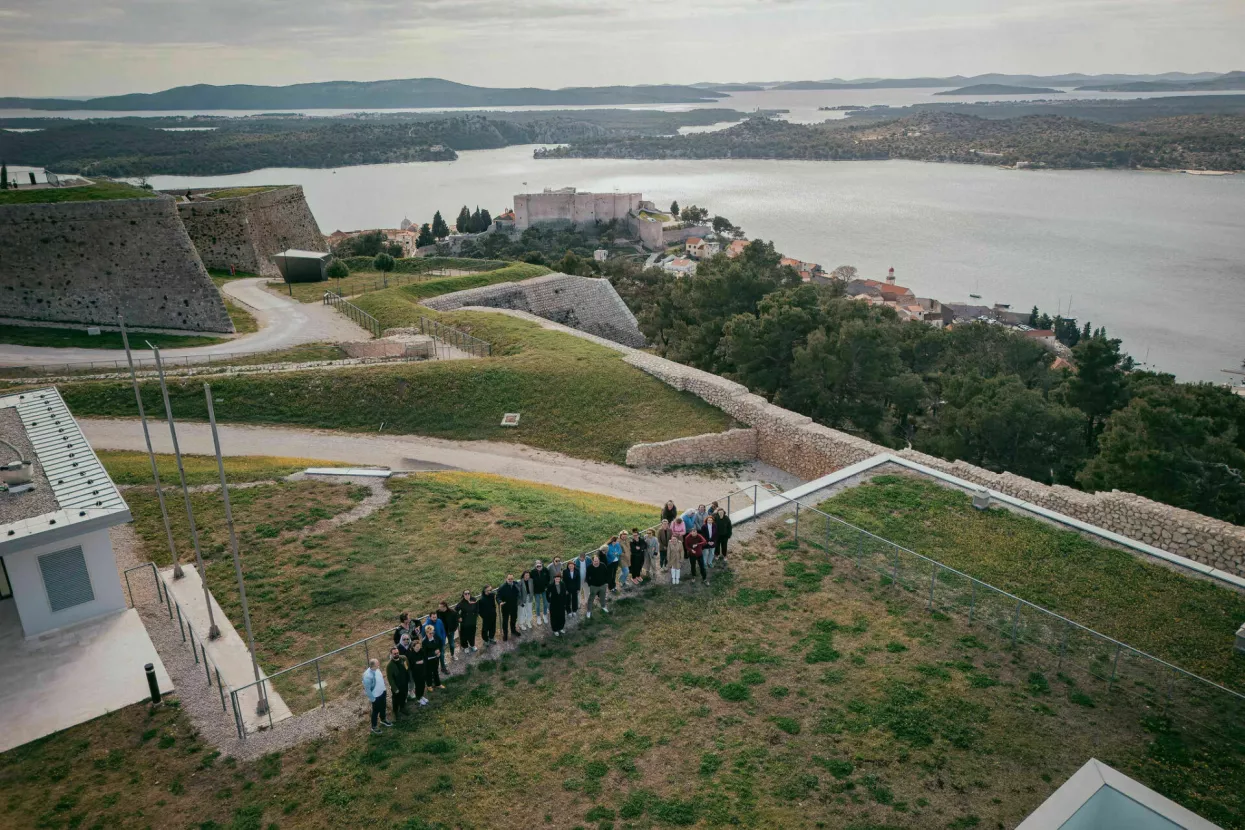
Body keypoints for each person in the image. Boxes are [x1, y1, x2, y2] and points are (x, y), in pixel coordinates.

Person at [362, 658, 391, 733]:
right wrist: (373, 699)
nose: (379, 665)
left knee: (383, 707)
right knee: (375, 711)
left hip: (382, 692)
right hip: (376, 696)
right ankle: (374, 726)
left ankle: (383, 719)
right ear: (373, 666)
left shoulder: (377, 669)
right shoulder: (367, 676)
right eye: (377, 664)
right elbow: (367, 690)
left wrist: (384, 690)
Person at [399, 632, 425, 704]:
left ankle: (411, 691)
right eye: (404, 639)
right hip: (403, 667)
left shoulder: (411, 645)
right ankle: (405, 696)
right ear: (401, 639)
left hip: (411, 667)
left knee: (412, 680)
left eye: (407, 639)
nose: (406, 640)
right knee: (404, 681)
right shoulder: (399, 647)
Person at [585, 550, 610, 617]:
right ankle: (589, 611)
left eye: (597, 561)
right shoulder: (589, 567)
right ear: (592, 561)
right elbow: (587, 577)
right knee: (591, 599)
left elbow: (606, 574)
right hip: (594, 586)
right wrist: (590, 584)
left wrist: (606, 583)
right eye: (595, 561)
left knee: (602, 597)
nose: (596, 562)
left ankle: (603, 606)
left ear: (599, 560)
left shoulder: (602, 565)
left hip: (603, 585)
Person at [386, 647, 409, 718]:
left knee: (404, 695)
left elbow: (407, 667)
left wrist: (408, 678)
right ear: (391, 654)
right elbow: (390, 679)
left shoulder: (403, 658)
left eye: (397, 653)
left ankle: (402, 708)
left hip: (405, 682)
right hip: (397, 685)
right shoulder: (389, 665)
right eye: (394, 653)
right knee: (396, 699)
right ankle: (395, 711)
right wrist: (395, 688)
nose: (396, 654)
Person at [498, 574, 522, 641]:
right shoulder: (502, 587)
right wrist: (500, 602)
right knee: (505, 621)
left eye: (512, 579)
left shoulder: (515, 584)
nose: (510, 580)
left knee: (513, 619)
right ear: (506, 579)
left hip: (514, 606)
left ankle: (513, 631)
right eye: (509, 579)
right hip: (506, 607)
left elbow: (519, 591)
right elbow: (498, 596)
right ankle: (505, 634)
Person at [421, 623, 444, 690]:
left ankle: (438, 684)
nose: (432, 634)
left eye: (432, 633)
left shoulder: (436, 636)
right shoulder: (424, 641)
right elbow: (425, 653)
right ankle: (429, 685)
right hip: (428, 659)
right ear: (426, 633)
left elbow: (440, 644)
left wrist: (439, 651)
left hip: (436, 658)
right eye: (430, 633)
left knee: (436, 671)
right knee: (429, 673)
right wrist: (434, 653)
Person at [547, 572, 569, 636]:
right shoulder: (551, 585)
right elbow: (547, 594)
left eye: (559, 578)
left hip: (561, 603)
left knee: (562, 616)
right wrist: (549, 600)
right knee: (554, 617)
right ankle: (555, 630)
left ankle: (561, 628)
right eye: (556, 578)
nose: (557, 580)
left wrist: (565, 602)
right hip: (554, 604)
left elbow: (564, 594)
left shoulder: (563, 584)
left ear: (560, 579)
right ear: (554, 578)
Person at [531, 560, 551, 624]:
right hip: (536, 591)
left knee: (545, 603)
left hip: (544, 590)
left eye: (539, 564)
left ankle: (545, 615)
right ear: (535, 565)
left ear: (542, 564)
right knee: (537, 605)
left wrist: (546, 586)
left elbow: (548, 578)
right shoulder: (532, 572)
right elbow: (531, 581)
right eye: (537, 564)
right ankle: (538, 616)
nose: (539, 565)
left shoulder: (545, 570)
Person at [667, 520, 686, 585]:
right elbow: (668, 551)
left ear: (677, 539)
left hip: (678, 557)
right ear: (671, 539)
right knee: (673, 568)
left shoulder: (680, 543)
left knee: (678, 568)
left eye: (675, 539)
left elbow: (682, 551)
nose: (674, 540)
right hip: (672, 557)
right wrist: (668, 559)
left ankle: (677, 578)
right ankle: (673, 578)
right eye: (673, 539)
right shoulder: (669, 543)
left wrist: (681, 558)